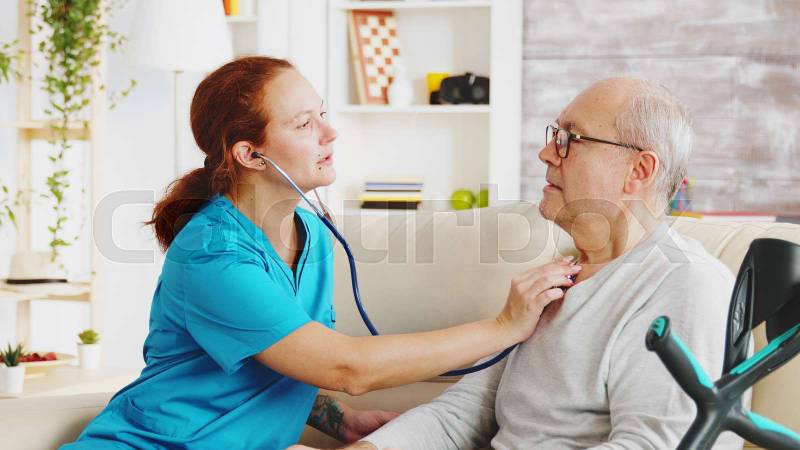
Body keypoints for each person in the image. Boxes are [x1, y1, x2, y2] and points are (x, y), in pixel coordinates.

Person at [61, 56, 579, 450]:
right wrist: (504, 326)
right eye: (304, 123)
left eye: (323, 115)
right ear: (250, 154)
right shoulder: (213, 254)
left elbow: (278, 358)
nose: (330, 133)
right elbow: (345, 368)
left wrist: (340, 421)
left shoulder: (310, 232)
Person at [297, 78, 745, 450]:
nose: (546, 153)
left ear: (639, 171)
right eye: (554, 136)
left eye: (571, 140)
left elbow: (655, 445)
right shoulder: (558, 277)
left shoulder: (687, 284)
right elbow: (461, 415)